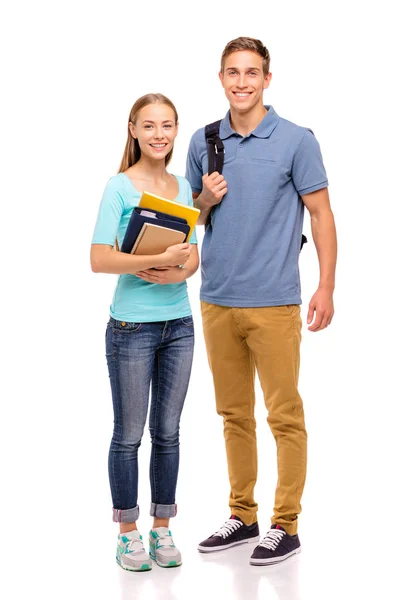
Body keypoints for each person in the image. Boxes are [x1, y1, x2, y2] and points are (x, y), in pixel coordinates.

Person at [185, 37, 337, 565]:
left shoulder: (296, 140)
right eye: (233, 72)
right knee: (233, 415)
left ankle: (285, 524)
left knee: (284, 415)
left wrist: (325, 285)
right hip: (217, 300)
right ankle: (242, 516)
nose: (242, 82)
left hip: (275, 301)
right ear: (221, 77)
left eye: (252, 72)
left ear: (267, 79)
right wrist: (203, 200)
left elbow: (320, 214)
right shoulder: (204, 141)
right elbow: (190, 221)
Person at [91, 93, 199, 571]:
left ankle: (163, 529)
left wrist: (181, 271)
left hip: (178, 324)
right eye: (150, 125)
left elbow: (192, 253)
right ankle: (128, 533)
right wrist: (155, 260)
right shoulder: (118, 186)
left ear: (175, 131)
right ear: (133, 129)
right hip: (131, 325)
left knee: (169, 433)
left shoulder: (183, 187)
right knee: (129, 434)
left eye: (168, 125)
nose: (159, 134)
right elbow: (99, 258)